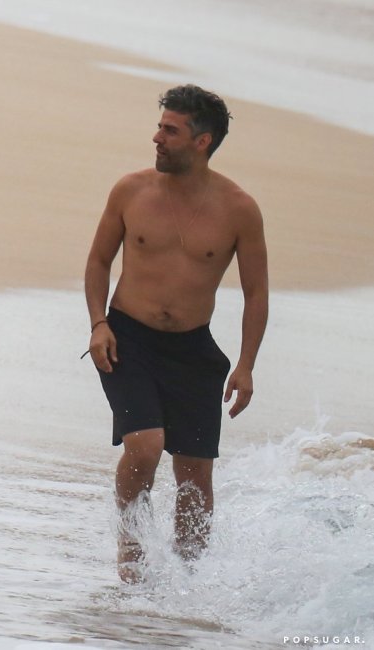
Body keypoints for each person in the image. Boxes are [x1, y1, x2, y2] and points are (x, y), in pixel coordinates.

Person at [84, 84, 268, 582]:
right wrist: (98, 324)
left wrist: (246, 364)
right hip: (127, 338)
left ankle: (189, 581)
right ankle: (131, 555)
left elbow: (256, 293)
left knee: (195, 475)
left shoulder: (238, 209)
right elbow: (99, 261)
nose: (157, 138)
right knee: (144, 446)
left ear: (202, 141)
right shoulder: (131, 191)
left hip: (192, 349)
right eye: (160, 127)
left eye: (170, 130)